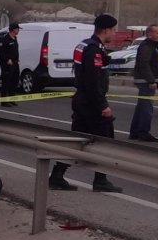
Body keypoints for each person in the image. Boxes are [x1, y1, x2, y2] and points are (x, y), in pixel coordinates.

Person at [50, 14, 120, 192]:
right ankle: (100, 180)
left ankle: (57, 175)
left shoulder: (85, 45)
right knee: (104, 140)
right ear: (106, 30)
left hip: (82, 100)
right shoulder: (93, 50)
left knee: (77, 140)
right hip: (91, 102)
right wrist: (103, 105)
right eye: (113, 30)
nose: (115, 33)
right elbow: (92, 81)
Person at [129, 24, 158, 142]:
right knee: (146, 108)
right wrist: (151, 80)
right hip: (145, 82)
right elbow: (143, 63)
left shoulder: (152, 45)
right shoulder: (147, 46)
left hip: (145, 80)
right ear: (149, 34)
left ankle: (135, 132)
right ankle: (143, 133)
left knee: (141, 107)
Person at [0, 23, 21, 106]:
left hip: (15, 63)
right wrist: (7, 59)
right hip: (6, 64)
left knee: (15, 81)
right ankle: (4, 101)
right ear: (13, 30)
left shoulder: (15, 38)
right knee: (6, 82)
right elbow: (0, 52)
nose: (18, 31)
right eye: (17, 29)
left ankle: (11, 99)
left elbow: (14, 50)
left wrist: (17, 58)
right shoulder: (4, 39)